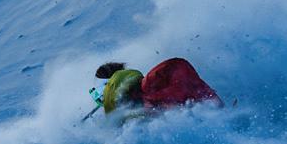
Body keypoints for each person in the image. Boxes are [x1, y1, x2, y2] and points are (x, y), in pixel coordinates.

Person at [93, 57, 224, 117]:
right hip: (174, 72)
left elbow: (113, 116)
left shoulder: (117, 85)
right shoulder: (143, 81)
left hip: (161, 85)